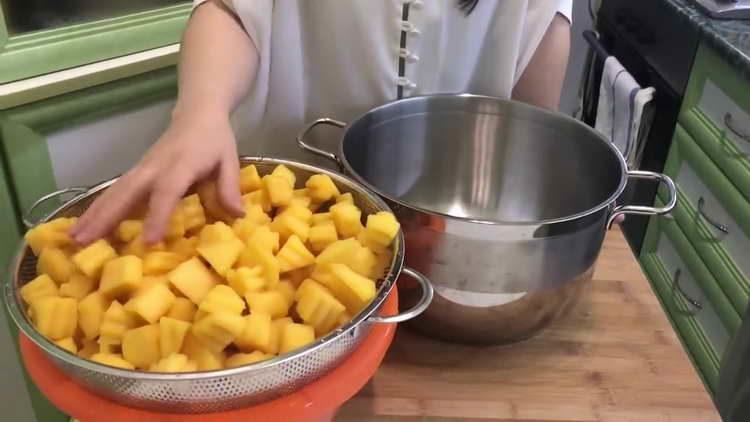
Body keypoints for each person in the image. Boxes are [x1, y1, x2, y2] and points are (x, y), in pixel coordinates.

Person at [71, 0, 572, 245]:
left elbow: (541, 45)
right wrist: (200, 110)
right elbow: (231, 9)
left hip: (450, 240)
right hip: (276, 220)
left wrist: (550, 188)